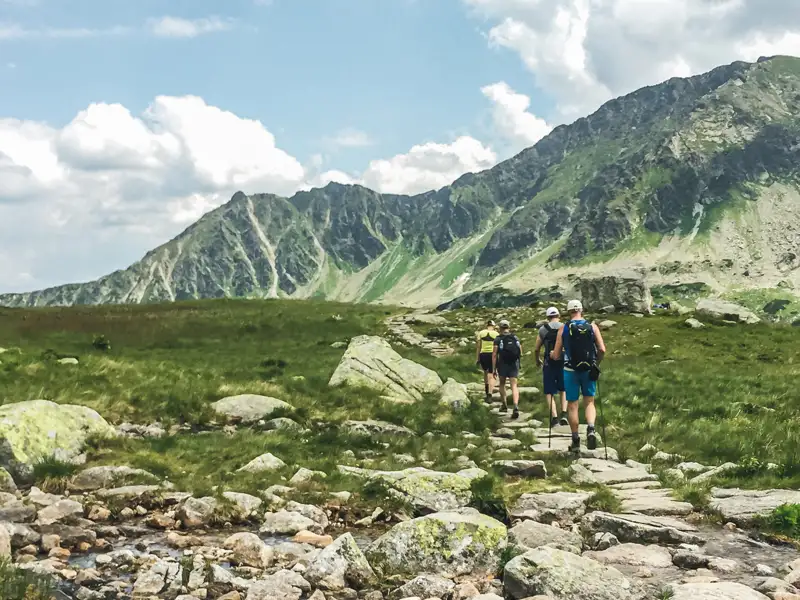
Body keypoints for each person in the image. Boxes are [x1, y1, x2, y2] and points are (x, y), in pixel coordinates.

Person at [550, 299, 606, 451]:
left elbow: (556, 355)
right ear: (581, 310)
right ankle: (591, 429)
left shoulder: (564, 328)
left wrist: (552, 354)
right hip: (588, 369)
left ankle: (575, 439)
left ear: (569, 311)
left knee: (572, 405)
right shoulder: (592, 326)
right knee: (589, 401)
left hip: (570, 370)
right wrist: (596, 363)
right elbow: (602, 349)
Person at [535, 306, 568, 428]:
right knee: (563, 389)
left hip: (549, 362)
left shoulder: (543, 329)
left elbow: (536, 348)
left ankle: (554, 418)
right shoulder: (565, 327)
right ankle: (564, 414)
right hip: (563, 361)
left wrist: (537, 360)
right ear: (558, 315)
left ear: (547, 317)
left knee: (549, 391)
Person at [492, 319, 522, 419]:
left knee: (502, 383)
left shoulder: (498, 339)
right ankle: (516, 406)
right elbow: (520, 351)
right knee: (514, 385)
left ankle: (504, 405)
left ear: (500, 328)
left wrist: (494, 369)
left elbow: (494, 354)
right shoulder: (515, 337)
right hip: (514, 364)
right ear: (508, 327)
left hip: (503, 364)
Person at [475, 319, 499, 403]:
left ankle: (486, 389)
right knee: (491, 374)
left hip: (483, 354)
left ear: (487, 325)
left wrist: (477, 358)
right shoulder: (496, 334)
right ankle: (490, 393)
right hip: (492, 354)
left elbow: (478, 346)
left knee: (485, 372)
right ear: (493, 326)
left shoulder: (481, 333)